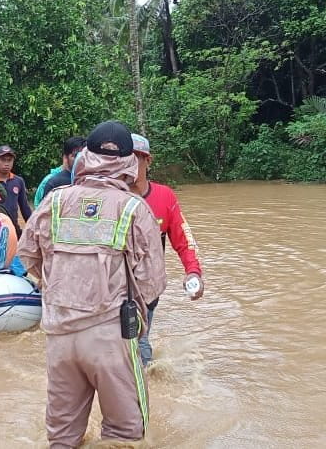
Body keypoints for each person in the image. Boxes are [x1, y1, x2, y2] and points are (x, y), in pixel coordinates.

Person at [17, 121, 166, 448]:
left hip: (58, 336)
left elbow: (27, 255)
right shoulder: (133, 208)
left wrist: (58, 286)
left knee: (61, 436)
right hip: (111, 336)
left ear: (85, 156)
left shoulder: (54, 201)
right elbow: (152, 282)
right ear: (129, 162)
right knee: (126, 434)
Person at [130, 134, 203, 365]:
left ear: (148, 161)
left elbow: (183, 238)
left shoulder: (164, 197)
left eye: (135, 159)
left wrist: (193, 271)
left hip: (148, 288)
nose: (129, 165)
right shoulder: (111, 197)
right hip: (113, 287)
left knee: (139, 343)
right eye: (124, 159)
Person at [0, 145, 32, 237]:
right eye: (3, 160)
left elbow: (24, 207)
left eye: (9, 160)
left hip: (13, 229)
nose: (7, 163)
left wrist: (33, 227)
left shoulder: (18, 181)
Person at [38, 137, 86, 205]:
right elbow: (41, 210)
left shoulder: (89, 180)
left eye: (83, 156)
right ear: (65, 157)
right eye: (75, 156)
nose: (80, 159)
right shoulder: (53, 182)